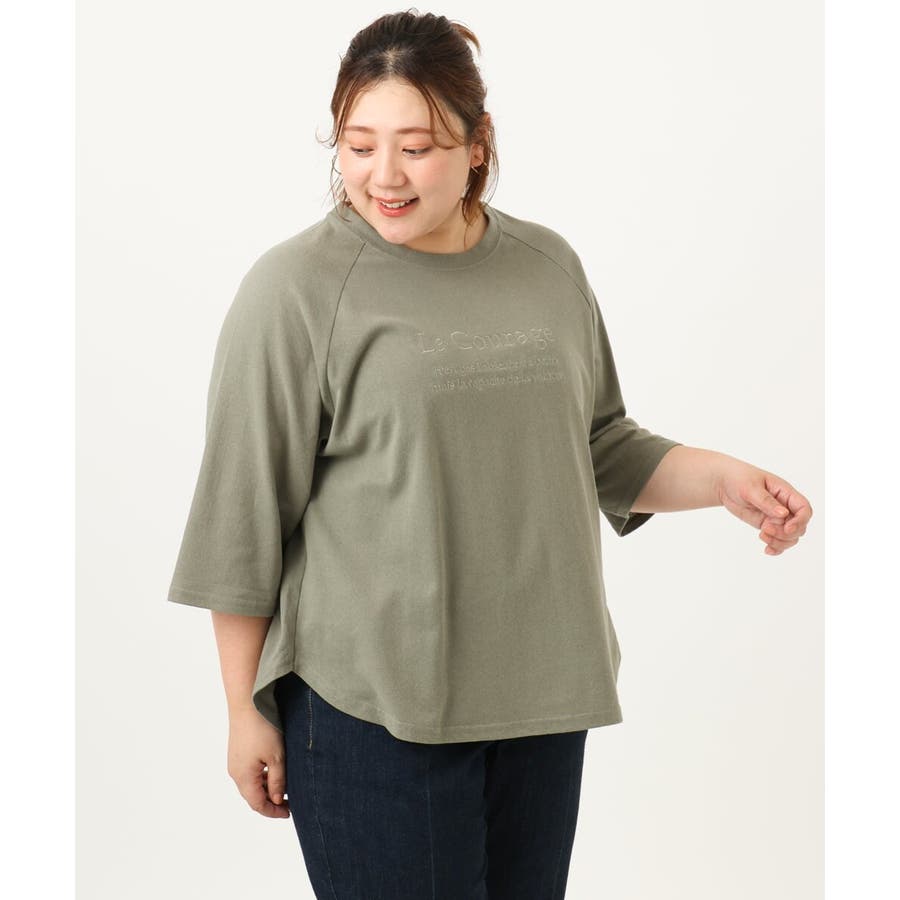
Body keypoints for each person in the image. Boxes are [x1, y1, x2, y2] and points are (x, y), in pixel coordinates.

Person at [166, 10, 813, 900]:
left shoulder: (547, 265)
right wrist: (245, 709)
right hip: (372, 712)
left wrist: (727, 480)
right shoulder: (295, 290)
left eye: (417, 148)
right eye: (358, 146)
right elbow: (241, 515)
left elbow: (599, 444)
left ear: (478, 145)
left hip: (541, 699)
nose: (384, 176)